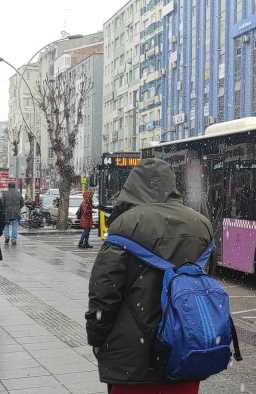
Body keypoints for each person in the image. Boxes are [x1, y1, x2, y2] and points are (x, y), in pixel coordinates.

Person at [85, 159, 213, 394]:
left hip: (133, 363)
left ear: (133, 186)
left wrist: (97, 337)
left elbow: (104, 294)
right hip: (185, 351)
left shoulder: (124, 225)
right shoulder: (201, 225)